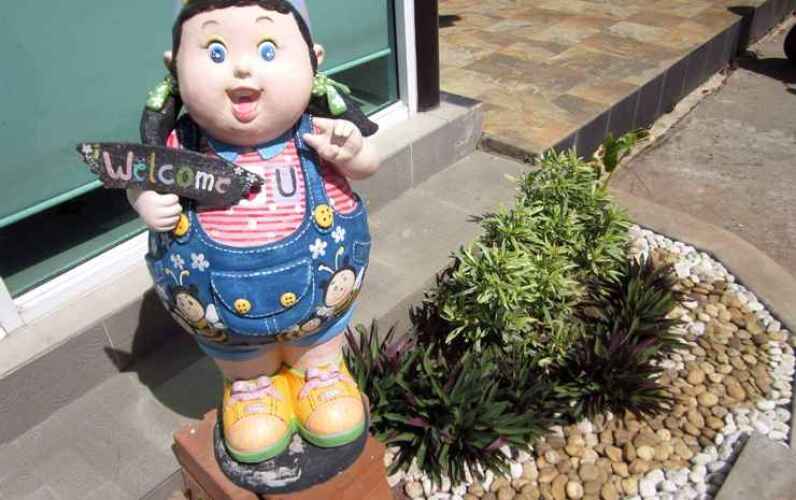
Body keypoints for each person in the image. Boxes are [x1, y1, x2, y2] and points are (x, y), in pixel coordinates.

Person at [128, 0, 379, 464]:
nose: (242, 68)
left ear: (314, 60)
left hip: (322, 302)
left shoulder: (320, 132)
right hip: (223, 321)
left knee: (318, 347)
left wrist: (355, 155)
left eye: (267, 49)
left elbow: (367, 167)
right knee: (244, 361)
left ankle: (321, 376)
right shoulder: (178, 147)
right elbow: (140, 176)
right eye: (216, 52)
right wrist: (144, 199)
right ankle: (250, 388)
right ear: (174, 67)